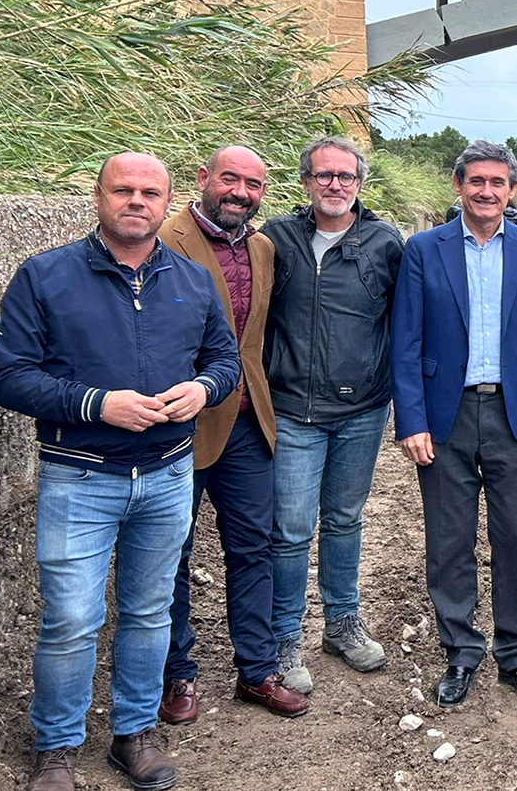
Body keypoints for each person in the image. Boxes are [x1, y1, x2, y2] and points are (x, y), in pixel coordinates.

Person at [0, 153, 240, 791]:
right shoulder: (45, 276)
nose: (137, 201)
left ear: (169, 200)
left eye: (150, 193)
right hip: (80, 476)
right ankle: (58, 748)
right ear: (97, 197)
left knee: (151, 611)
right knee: (71, 618)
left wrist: (204, 389)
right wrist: (96, 403)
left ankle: (134, 734)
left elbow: (225, 360)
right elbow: (6, 375)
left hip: (166, 473)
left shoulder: (189, 277)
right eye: (122, 190)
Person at [390, 140, 517, 707]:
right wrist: (411, 419)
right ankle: (461, 651)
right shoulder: (423, 250)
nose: (486, 191)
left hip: (516, 414)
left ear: (512, 189)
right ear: (458, 185)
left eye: (498, 182)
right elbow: (406, 341)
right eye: (476, 181)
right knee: (449, 540)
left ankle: (516, 651)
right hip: (447, 415)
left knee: (515, 536)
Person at [156, 146, 310, 726]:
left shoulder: (263, 247)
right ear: (202, 179)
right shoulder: (166, 238)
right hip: (179, 423)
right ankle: (178, 676)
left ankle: (257, 670)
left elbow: (256, 339)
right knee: (171, 552)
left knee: (254, 548)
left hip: (248, 420)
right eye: (230, 179)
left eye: (252, 183)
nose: (240, 192)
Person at [262, 136, 403, 693]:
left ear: (360, 183)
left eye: (345, 176)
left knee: (345, 518)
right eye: (324, 176)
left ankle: (342, 622)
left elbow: (409, 321)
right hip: (294, 407)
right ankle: (283, 635)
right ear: (306, 182)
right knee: (291, 527)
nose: (335, 185)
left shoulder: (386, 243)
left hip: (362, 409)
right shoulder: (276, 239)